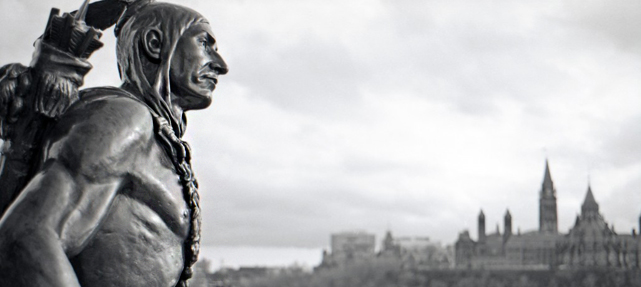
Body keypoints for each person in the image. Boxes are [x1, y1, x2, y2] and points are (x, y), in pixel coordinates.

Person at [0, 1, 228, 286]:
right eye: (205, 44)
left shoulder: (151, 130)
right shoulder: (124, 116)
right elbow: (27, 236)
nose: (221, 66)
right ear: (154, 43)